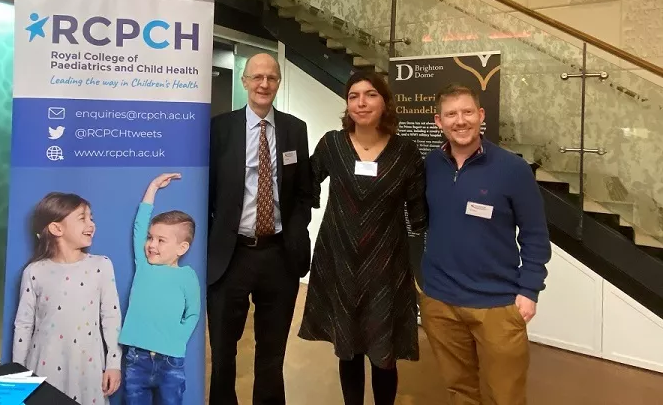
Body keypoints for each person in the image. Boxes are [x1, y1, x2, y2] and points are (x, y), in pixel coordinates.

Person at [299, 70, 427, 405]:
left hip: (386, 267)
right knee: (349, 349)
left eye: (370, 94)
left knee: (384, 354)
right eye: (353, 96)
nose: (361, 102)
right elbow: (305, 185)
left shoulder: (405, 151)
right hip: (340, 263)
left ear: (385, 102)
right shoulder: (332, 144)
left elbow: (419, 210)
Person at [420, 83, 551, 405]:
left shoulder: (513, 169)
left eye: (467, 112)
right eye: (451, 114)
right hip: (440, 301)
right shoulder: (430, 165)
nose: (460, 121)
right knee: (459, 389)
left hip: (497, 303)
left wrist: (529, 290)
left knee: (505, 395)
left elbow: (535, 233)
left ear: (480, 115)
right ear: (439, 121)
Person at [207, 53, 311, 405]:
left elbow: (303, 191)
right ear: (245, 81)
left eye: (271, 78)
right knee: (223, 352)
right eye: (257, 77)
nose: (264, 84)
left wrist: (295, 232)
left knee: (272, 354)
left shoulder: (295, 129)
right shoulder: (220, 129)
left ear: (278, 82)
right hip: (230, 256)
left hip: (279, 255)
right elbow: (208, 190)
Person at [13, 192, 122, 405]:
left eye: (91, 218)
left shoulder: (101, 266)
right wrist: (17, 374)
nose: (91, 224)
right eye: (82, 218)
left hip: (87, 367)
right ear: (56, 228)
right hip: (43, 366)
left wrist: (113, 363)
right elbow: (23, 325)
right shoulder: (34, 271)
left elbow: (111, 318)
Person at [119, 173, 201, 405]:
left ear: (181, 248)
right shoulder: (144, 266)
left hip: (170, 361)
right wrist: (153, 187)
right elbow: (139, 226)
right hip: (137, 358)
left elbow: (193, 313)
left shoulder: (187, 276)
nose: (151, 245)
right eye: (150, 238)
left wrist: (177, 339)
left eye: (161, 240)